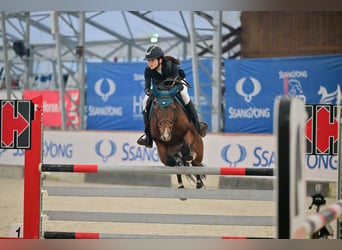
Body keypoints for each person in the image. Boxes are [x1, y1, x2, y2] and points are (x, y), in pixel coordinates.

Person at [137, 45, 208, 148]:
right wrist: (149, 92)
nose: (150, 63)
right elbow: (147, 87)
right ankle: (148, 135)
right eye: (148, 61)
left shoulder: (171, 66)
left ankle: (197, 124)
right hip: (160, 87)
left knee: (184, 95)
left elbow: (178, 84)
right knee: (145, 101)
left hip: (176, 84)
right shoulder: (148, 70)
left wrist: (174, 90)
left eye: (152, 60)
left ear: (160, 60)